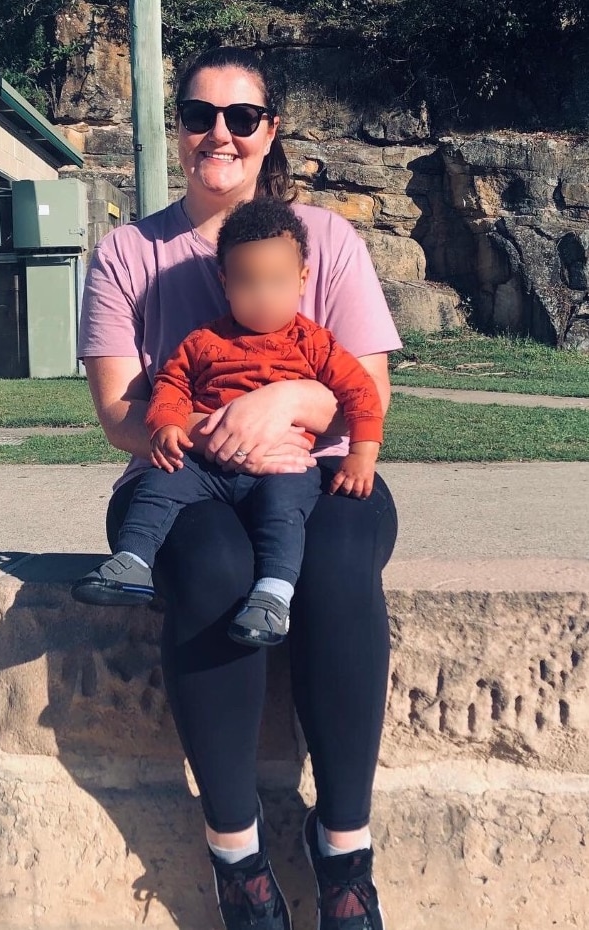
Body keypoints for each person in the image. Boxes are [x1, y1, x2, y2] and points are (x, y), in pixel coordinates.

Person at [77, 44, 401, 930]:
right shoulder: (128, 253)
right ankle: (238, 859)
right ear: (176, 129)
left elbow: (368, 382)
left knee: (334, 562)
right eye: (197, 115)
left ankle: (343, 855)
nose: (217, 133)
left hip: (318, 472)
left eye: (241, 117)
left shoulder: (326, 240)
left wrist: (287, 400)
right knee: (215, 570)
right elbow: (118, 413)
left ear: (269, 132)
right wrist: (207, 431)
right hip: (182, 478)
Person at [72, 197, 384, 650]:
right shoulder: (205, 341)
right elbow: (171, 384)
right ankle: (132, 560)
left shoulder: (315, 344)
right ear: (225, 282)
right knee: (162, 482)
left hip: (284, 463)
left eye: (276, 283)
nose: (262, 296)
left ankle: (274, 594)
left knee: (285, 511)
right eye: (248, 283)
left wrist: (362, 454)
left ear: (302, 281)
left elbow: (362, 394)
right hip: (208, 465)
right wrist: (168, 425)